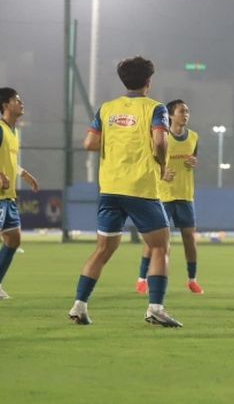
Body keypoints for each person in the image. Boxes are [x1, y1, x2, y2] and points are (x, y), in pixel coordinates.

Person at [68, 56, 182, 327]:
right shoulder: (155, 109)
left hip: (110, 188)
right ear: (148, 82)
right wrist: (161, 163)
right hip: (141, 188)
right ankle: (155, 307)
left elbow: (89, 143)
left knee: (103, 249)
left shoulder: (107, 108)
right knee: (160, 246)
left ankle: (79, 305)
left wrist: (119, 142)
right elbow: (160, 142)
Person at [136, 99, 203, 295]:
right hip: (162, 196)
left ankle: (192, 280)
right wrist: (161, 173)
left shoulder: (194, 137)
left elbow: (193, 157)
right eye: (182, 111)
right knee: (155, 241)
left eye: (187, 111)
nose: (186, 114)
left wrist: (193, 162)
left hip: (185, 195)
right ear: (171, 115)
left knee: (189, 238)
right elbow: (149, 162)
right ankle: (142, 279)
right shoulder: (161, 137)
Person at [0, 88, 39, 300]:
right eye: (17, 100)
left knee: (13, 239)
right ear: (5, 105)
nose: (21, 103)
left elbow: (10, 161)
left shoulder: (12, 131)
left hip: (8, 197)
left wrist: (25, 174)